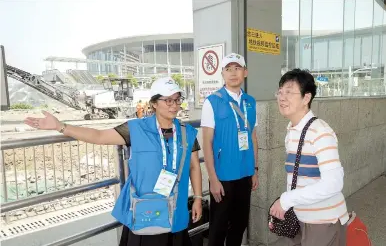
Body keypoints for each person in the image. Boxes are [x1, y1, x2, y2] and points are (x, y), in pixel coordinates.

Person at [24, 77, 203, 246]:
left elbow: (194, 166)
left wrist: (198, 197)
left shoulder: (187, 132)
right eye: (168, 100)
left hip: (176, 210)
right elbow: (99, 136)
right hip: (143, 211)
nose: (174, 106)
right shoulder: (135, 129)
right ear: (154, 103)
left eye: (177, 100)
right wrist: (60, 126)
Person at [270, 69, 348, 245]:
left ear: (306, 98)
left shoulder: (320, 132)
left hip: (323, 222)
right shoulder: (292, 130)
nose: (282, 97)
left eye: (289, 92)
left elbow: (334, 183)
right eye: (280, 92)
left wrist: (286, 199)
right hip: (301, 218)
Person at [200, 53, 259, 246]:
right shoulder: (212, 101)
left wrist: (255, 170)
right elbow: (206, 142)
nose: (233, 73)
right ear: (222, 74)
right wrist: (213, 180)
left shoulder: (250, 102)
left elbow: (252, 137)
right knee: (218, 228)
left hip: (245, 173)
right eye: (228, 69)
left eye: (237, 68)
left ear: (245, 72)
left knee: (240, 224)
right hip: (223, 176)